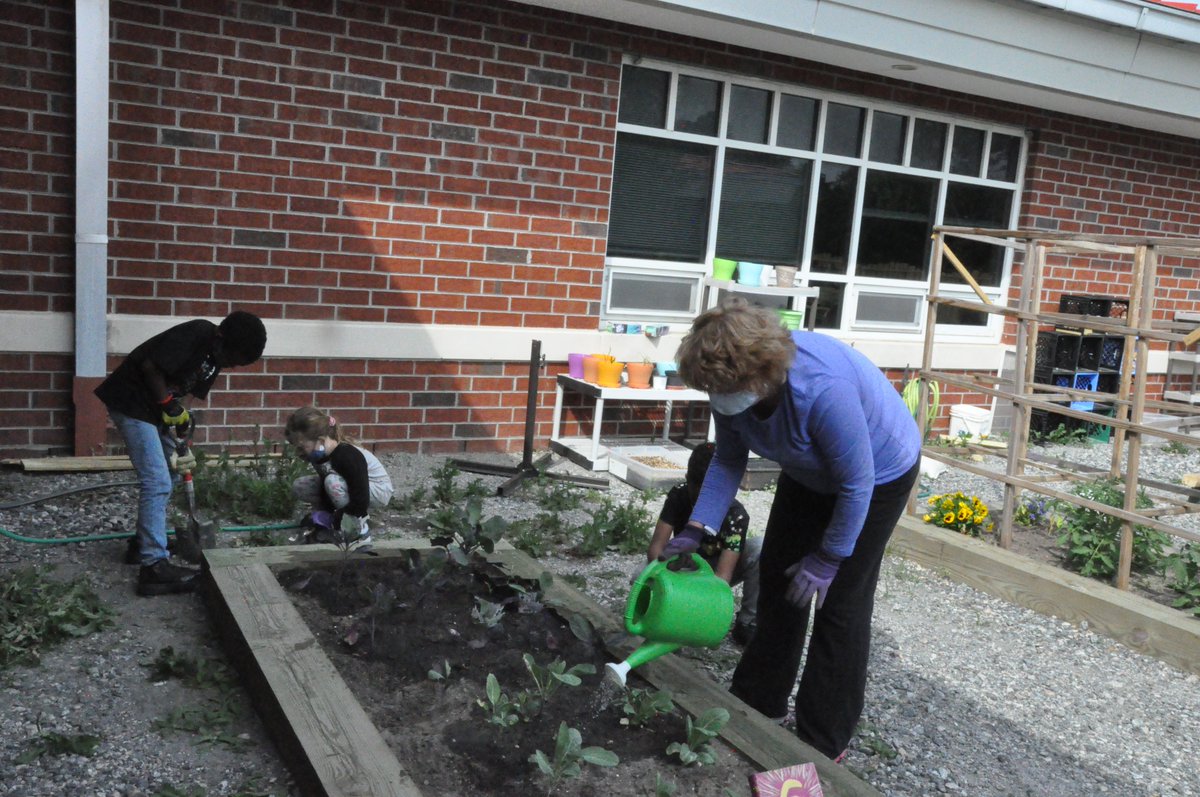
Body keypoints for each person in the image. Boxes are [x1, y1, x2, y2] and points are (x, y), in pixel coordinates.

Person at [660, 297, 920, 762]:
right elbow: (728, 459)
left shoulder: (823, 390)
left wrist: (829, 556)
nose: (718, 398)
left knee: (839, 603)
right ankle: (760, 700)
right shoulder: (731, 389)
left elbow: (856, 485)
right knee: (780, 581)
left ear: (761, 373)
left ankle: (824, 739)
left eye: (723, 388)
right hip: (807, 472)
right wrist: (697, 527)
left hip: (878, 474)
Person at [95, 310, 267, 596]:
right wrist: (167, 404)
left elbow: (188, 395)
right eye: (231, 358)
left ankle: (142, 544)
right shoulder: (197, 334)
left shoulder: (215, 360)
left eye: (236, 364)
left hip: (155, 411)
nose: (230, 365)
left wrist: (182, 418)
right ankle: (153, 567)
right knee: (157, 481)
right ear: (221, 337)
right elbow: (150, 366)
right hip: (132, 402)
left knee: (172, 471)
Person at [647, 441, 762, 645]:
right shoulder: (678, 495)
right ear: (687, 479)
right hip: (682, 564)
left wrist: (700, 604)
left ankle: (747, 622)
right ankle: (661, 612)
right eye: (697, 493)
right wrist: (667, 577)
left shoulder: (736, 515)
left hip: (715, 570)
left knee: (759, 547)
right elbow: (656, 548)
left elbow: (723, 577)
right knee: (639, 576)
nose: (704, 500)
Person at [284, 406, 394, 549]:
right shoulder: (319, 456)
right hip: (351, 487)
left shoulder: (347, 456)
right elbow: (325, 487)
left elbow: (360, 496)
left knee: (333, 482)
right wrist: (324, 515)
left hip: (377, 489)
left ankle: (358, 530)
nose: (298, 452)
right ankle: (328, 528)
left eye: (301, 447)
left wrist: (340, 518)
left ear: (320, 441)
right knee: (301, 485)